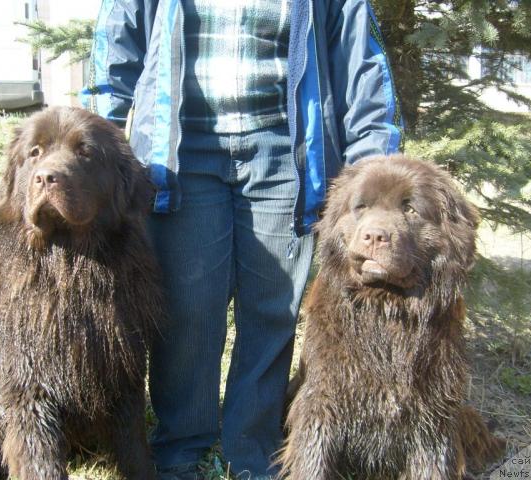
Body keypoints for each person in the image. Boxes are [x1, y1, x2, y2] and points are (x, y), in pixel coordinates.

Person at [82, 0, 403, 478]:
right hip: (181, 148)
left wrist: (377, 165)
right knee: (189, 306)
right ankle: (182, 446)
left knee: (271, 308)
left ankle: (252, 449)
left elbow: (360, 66)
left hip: (285, 152)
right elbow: (117, 45)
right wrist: (92, 140)